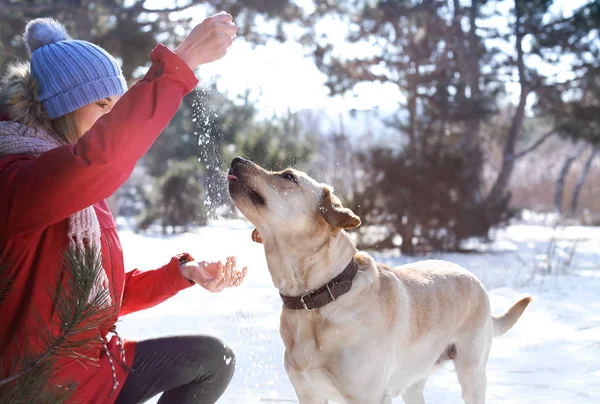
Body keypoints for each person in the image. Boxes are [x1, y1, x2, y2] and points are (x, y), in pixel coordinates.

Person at [0, 13, 245, 404]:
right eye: (102, 105)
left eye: (118, 106)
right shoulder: (17, 179)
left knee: (212, 359)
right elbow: (102, 158)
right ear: (58, 108)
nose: (111, 119)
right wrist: (180, 63)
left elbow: (94, 295)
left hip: (100, 371)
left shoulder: (82, 193)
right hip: (42, 389)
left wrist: (182, 273)